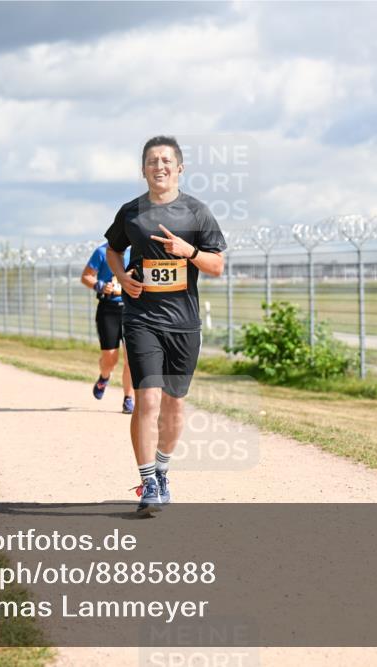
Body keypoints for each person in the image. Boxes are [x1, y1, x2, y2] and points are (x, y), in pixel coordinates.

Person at [104, 135, 226, 513]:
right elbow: (112, 249)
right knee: (148, 398)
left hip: (184, 323)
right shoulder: (131, 213)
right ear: (143, 170)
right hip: (141, 318)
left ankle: (161, 469)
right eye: (152, 161)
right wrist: (123, 278)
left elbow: (218, 266)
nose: (159, 166)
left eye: (166, 161)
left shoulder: (197, 212)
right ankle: (147, 482)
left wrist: (188, 252)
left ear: (179, 168)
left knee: (174, 406)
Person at [80, 243, 135, 414]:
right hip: (108, 310)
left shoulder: (137, 251)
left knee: (131, 357)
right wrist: (101, 286)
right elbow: (86, 277)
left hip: (132, 309)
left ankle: (129, 398)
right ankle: (104, 377)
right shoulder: (102, 252)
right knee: (110, 358)